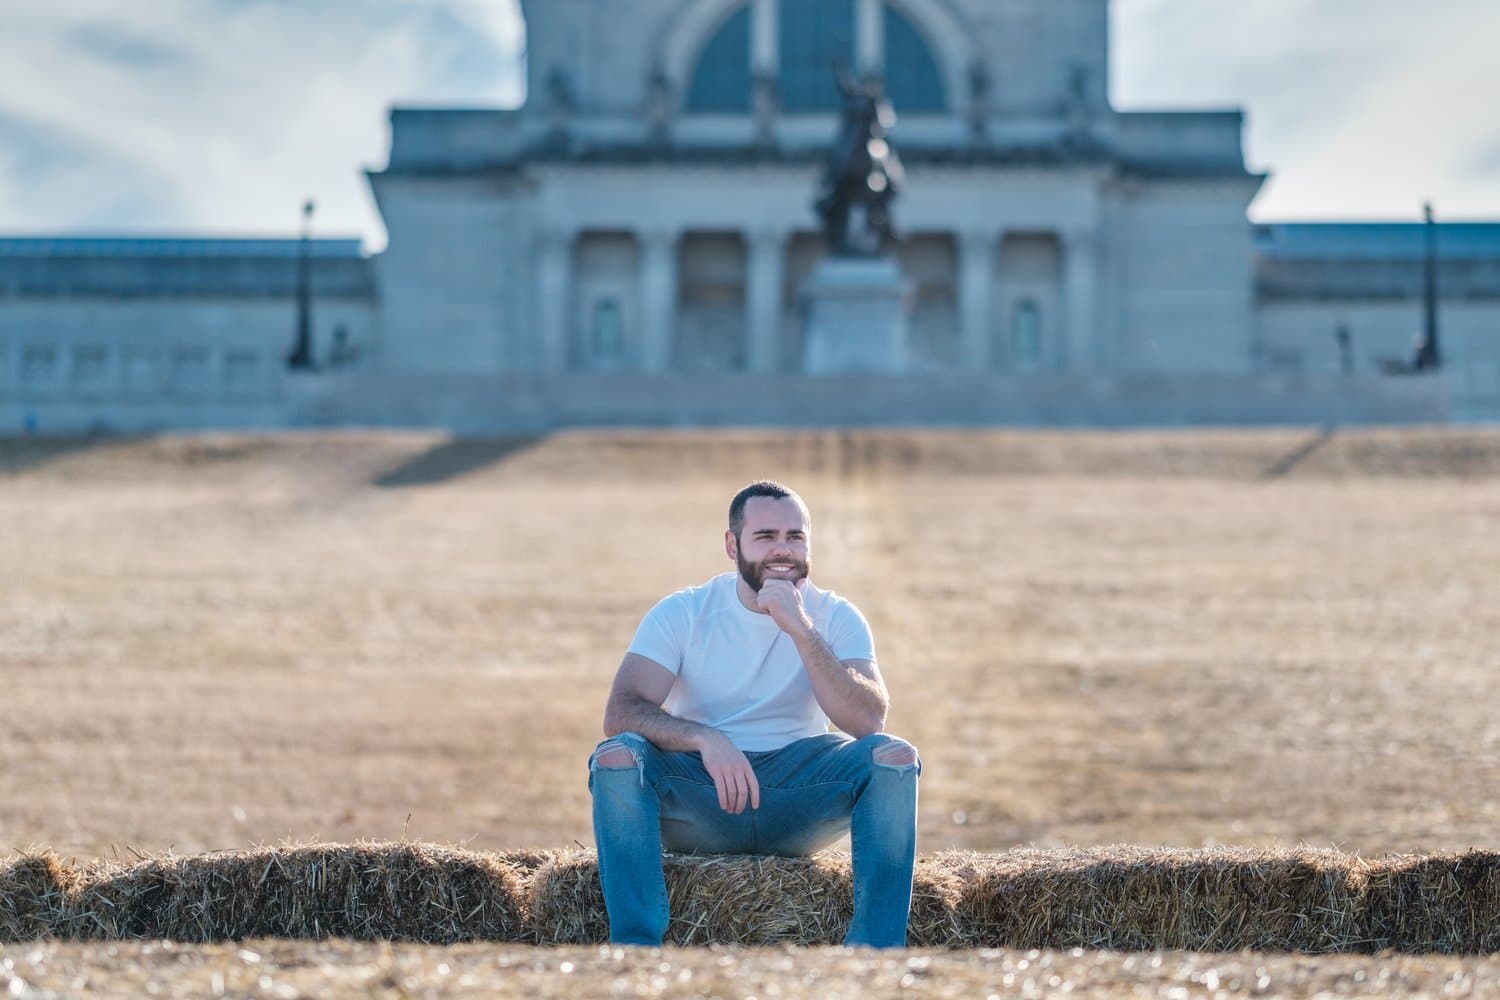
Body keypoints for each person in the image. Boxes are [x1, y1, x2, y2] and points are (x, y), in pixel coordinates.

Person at [588, 480, 920, 948]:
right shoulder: (683, 613)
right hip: (700, 789)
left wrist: (800, 628)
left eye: (795, 536)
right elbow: (621, 711)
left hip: (800, 794)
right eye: (765, 537)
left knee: (894, 759)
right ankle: (637, 948)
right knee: (617, 758)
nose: (782, 550)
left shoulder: (836, 617)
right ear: (732, 544)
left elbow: (868, 721)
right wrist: (706, 738)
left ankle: (875, 952)